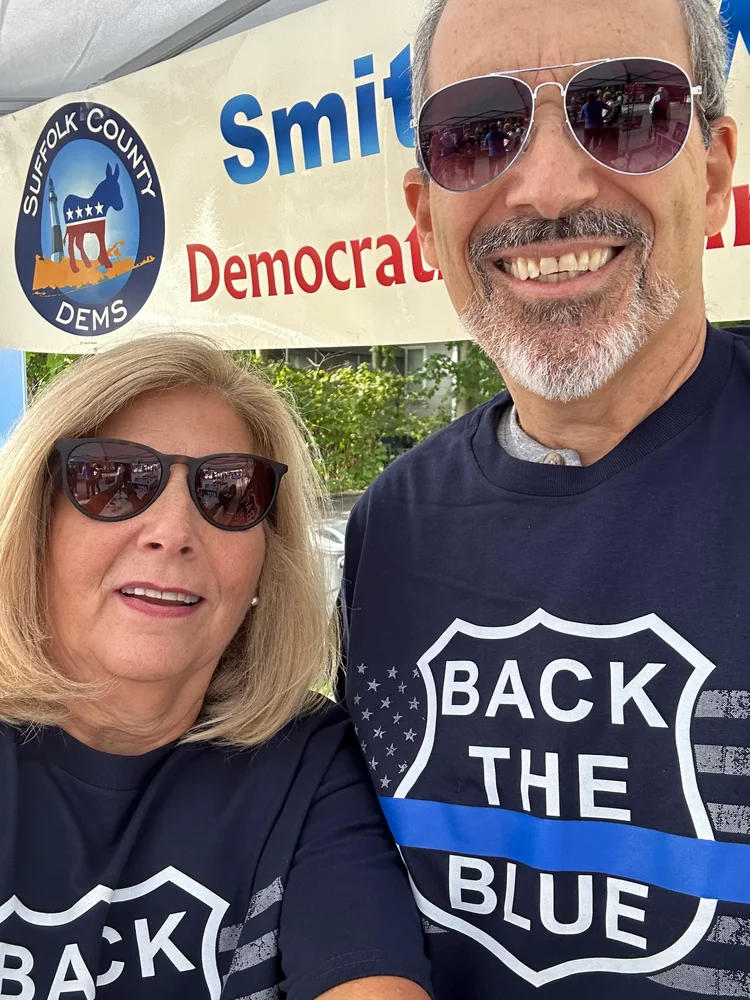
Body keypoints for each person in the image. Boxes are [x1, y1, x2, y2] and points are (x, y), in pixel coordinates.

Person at [343, 0, 741, 998]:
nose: (551, 186)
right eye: (476, 136)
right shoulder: (389, 528)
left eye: (626, 109)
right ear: (421, 210)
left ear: (716, 166)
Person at [0, 336, 432, 1000]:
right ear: (37, 523)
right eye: (113, 481)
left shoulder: (305, 761)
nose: (172, 530)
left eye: (229, 493)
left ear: (264, 556)